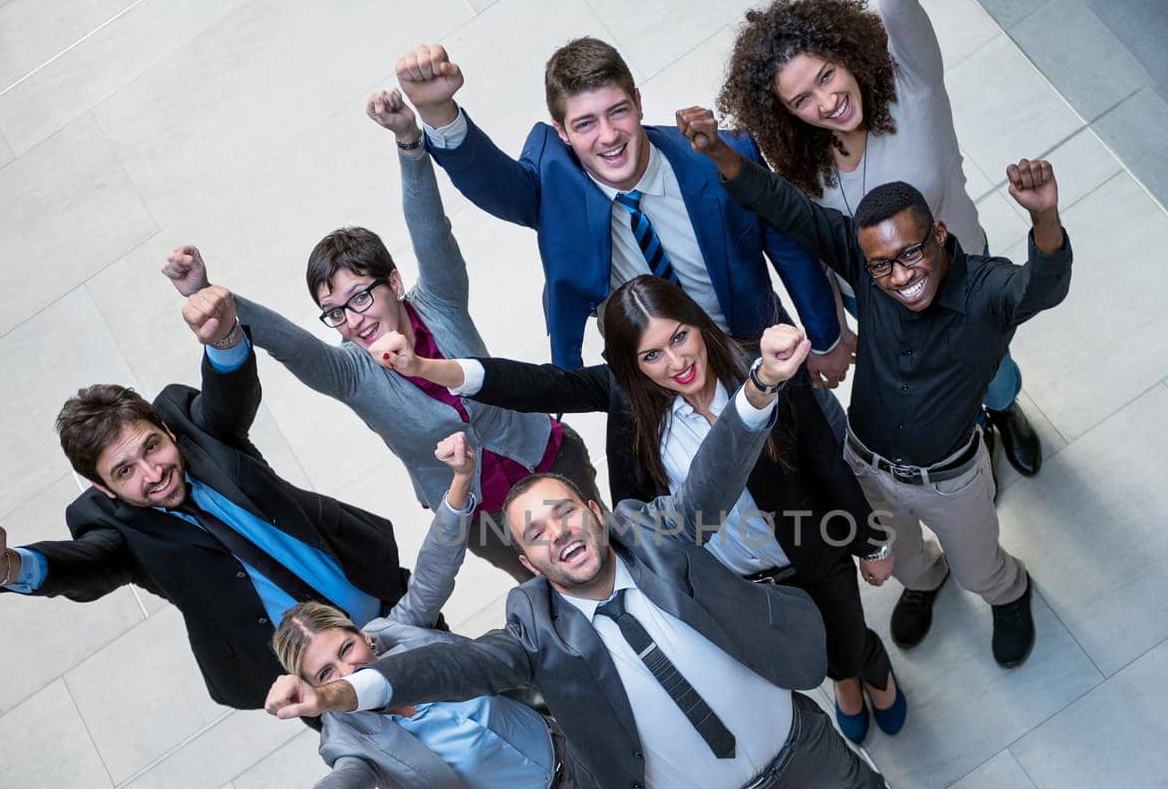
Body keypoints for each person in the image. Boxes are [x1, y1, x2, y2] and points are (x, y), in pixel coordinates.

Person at [261, 325, 958, 789]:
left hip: (793, 736)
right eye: (534, 532)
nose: (555, 529)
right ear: (529, 563)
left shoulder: (655, 533)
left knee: (856, 781)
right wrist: (338, 694)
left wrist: (761, 388)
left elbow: (712, 478)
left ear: (594, 513)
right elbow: (454, 666)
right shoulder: (535, 629)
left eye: (563, 510)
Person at [369, 275, 905, 742]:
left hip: (811, 548)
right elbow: (531, 384)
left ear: (698, 325)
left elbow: (825, 461)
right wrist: (424, 367)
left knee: (847, 639)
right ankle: (843, 674)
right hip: (726, 576)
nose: (675, 364)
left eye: (680, 338)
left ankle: (863, 672)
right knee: (780, 654)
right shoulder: (630, 399)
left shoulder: (759, 368)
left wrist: (870, 540)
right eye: (651, 355)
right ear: (631, 364)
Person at [232, 433, 680, 789]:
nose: (347, 670)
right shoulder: (349, 738)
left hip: (566, 750)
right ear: (314, 689)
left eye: (346, 649)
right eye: (327, 673)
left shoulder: (400, 634)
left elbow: (435, 568)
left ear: (364, 637)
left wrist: (463, 479)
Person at [677, 106, 1072, 667]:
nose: (903, 276)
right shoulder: (867, 265)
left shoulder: (988, 289)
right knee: (904, 559)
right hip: (865, 465)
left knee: (980, 566)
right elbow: (784, 207)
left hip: (950, 478)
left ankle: (1008, 593)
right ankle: (923, 581)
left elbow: (1045, 287)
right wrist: (719, 153)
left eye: (912, 253)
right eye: (883, 265)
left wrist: (1045, 219)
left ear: (937, 233)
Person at [159, 87, 596, 584]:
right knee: (557, 596)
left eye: (361, 297)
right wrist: (213, 296)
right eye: (335, 312)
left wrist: (410, 142)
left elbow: (431, 230)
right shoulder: (349, 373)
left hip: (550, 460)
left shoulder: (441, 303)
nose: (354, 320)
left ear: (393, 282)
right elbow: (286, 341)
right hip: (483, 518)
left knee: (613, 552)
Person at [0, 286, 413, 715]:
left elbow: (228, 401)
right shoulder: (110, 524)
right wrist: (4, 567)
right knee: (423, 780)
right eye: (125, 471)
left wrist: (224, 337)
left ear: (166, 430)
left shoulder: (193, 428)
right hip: (314, 685)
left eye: (152, 447)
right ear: (103, 488)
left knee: (471, 685)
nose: (153, 472)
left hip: (383, 603)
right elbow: (83, 565)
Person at [391, 36, 858, 403]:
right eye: (586, 122)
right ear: (562, 132)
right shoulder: (554, 190)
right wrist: (438, 112)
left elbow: (791, 249)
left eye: (618, 112)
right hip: (658, 386)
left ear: (638, 101)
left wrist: (825, 338)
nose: (609, 136)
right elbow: (492, 182)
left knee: (832, 482)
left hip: (759, 352)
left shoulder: (721, 156)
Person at [717, 0, 1044, 478]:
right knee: (933, 389)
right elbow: (818, 246)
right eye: (802, 99)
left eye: (827, 75)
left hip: (965, 281)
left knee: (991, 371)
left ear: (846, 53)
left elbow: (897, 5)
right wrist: (835, 326)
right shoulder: (801, 159)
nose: (827, 103)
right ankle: (970, 440)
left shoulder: (912, 84)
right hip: (875, 299)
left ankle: (1003, 408)